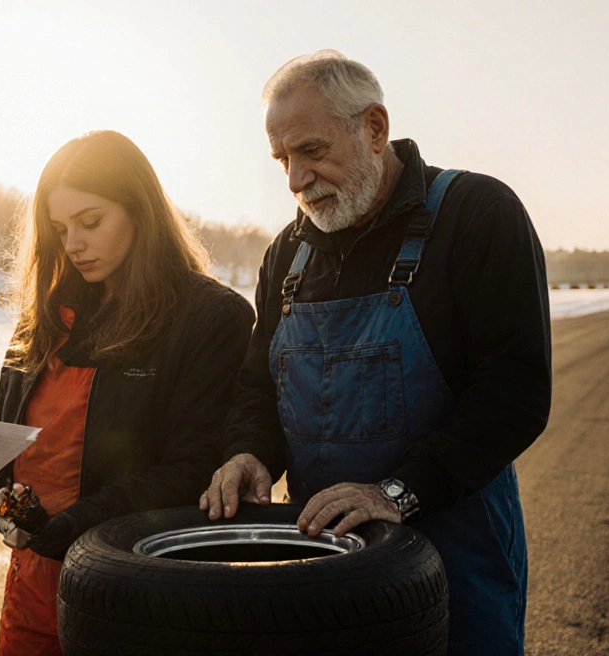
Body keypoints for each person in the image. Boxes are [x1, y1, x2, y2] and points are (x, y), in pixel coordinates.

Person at [201, 51, 550, 655]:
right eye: (282, 160)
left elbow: (513, 394)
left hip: (455, 565)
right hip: (324, 562)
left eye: (311, 151)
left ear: (374, 128)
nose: (295, 180)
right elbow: (259, 384)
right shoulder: (288, 254)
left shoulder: (477, 215)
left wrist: (395, 491)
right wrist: (249, 451)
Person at [0, 130, 256, 655]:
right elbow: (5, 439)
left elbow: (194, 468)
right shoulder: (44, 315)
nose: (73, 244)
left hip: (137, 588)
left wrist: (73, 525)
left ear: (141, 212)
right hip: (31, 586)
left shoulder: (209, 318)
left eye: (90, 223)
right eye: (60, 228)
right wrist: (5, 497)